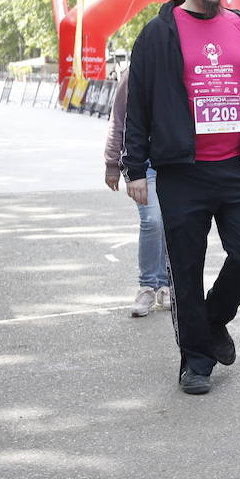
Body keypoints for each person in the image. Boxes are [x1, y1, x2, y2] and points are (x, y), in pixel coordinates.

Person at [122, 0, 240, 395]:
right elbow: (140, 105)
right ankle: (195, 361)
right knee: (186, 269)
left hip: (239, 167)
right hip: (182, 172)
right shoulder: (158, 33)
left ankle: (212, 320)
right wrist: (134, 167)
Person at [104, 67, 171, 316]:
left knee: (170, 221)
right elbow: (118, 119)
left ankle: (166, 283)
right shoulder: (133, 73)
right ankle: (147, 286)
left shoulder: (182, 62)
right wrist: (112, 163)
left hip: (176, 160)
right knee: (152, 219)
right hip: (143, 163)